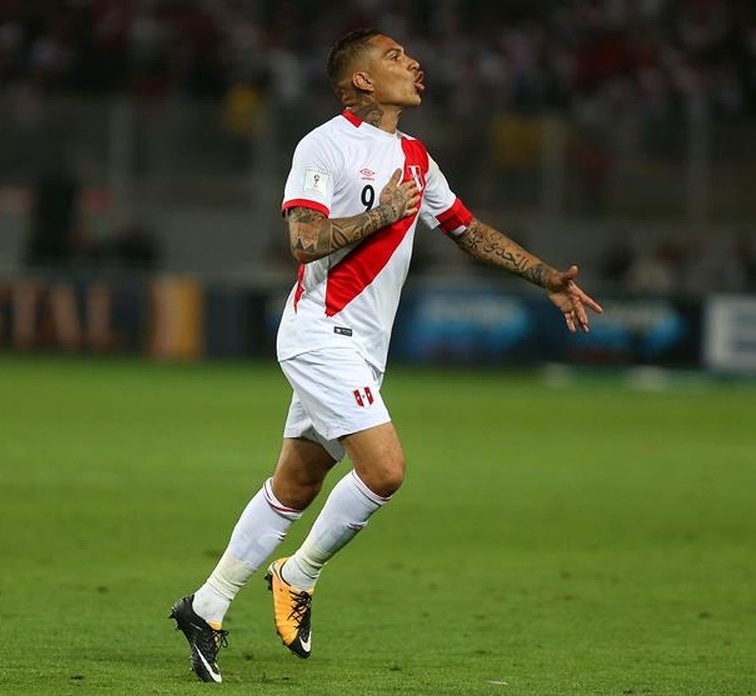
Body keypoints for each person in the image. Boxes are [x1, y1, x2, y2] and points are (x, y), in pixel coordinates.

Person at [169, 27, 603, 684]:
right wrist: (381, 215)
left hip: (364, 350)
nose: (414, 63)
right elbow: (303, 240)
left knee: (296, 485)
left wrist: (545, 276)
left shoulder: (415, 157)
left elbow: (466, 230)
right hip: (320, 334)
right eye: (395, 56)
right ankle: (297, 574)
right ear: (362, 80)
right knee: (386, 470)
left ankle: (206, 606)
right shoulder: (324, 145)